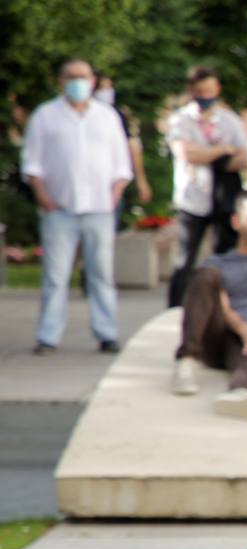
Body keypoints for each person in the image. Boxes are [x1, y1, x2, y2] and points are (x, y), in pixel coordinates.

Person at [21, 58, 132, 355]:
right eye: (71, 76)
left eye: (83, 76)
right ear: (60, 81)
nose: (78, 82)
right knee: (56, 276)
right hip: (59, 209)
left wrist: (115, 194)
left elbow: (122, 164)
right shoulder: (45, 116)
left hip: (99, 208)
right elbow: (32, 162)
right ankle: (48, 335)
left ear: (93, 81)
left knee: (101, 275)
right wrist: (42, 195)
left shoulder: (107, 117)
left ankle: (107, 333)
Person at [170, 190, 247, 420]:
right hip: (218, 334)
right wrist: (243, 328)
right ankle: (186, 362)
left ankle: (239, 395)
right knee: (205, 275)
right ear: (236, 221)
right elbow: (220, 305)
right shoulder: (218, 263)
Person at [167, 66, 247, 308]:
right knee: (185, 259)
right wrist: (223, 151)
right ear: (192, 91)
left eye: (210, 91)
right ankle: (175, 308)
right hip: (192, 199)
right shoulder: (181, 120)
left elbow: (244, 159)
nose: (206, 96)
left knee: (225, 255)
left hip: (223, 198)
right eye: (201, 91)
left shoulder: (230, 120)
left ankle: (223, 306)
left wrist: (204, 153)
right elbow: (186, 153)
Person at [94, 72, 153, 209]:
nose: (106, 92)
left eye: (108, 87)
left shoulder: (116, 115)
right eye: (101, 88)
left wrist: (141, 181)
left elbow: (131, 145)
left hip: (112, 183)